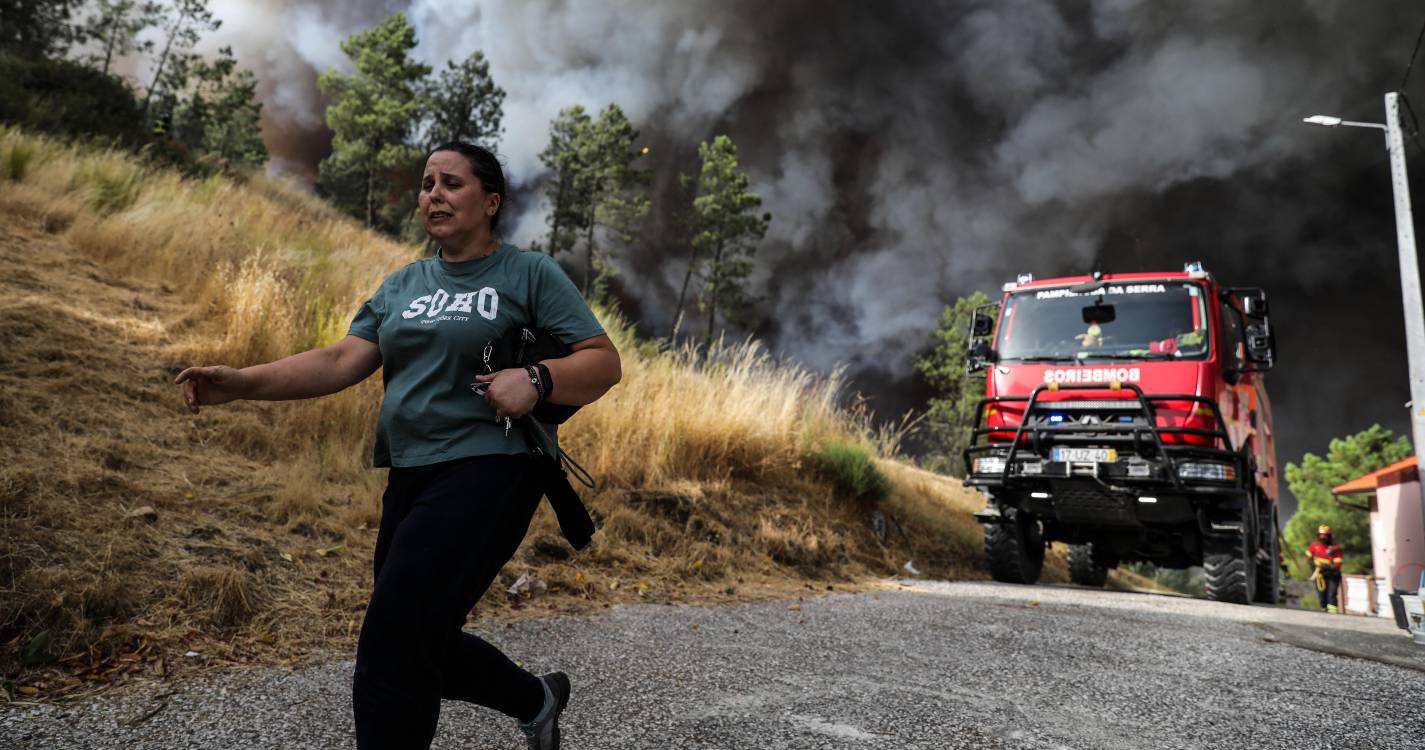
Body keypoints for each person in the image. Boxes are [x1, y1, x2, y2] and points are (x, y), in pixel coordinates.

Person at [174, 142, 621, 750]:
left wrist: (537, 379)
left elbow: (603, 361)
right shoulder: (403, 284)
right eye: (427, 183)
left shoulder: (528, 273)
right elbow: (339, 359)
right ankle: (535, 700)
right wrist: (243, 383)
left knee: (392, 641)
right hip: (411, 475)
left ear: (490, 202)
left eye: (452, 183)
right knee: (421, 638)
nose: (433, 193)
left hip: (493, 470)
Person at [1306, 524, 1344, 613]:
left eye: (1325, 536)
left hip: (1332, 575)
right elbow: (1309, 559)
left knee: (1331, 594)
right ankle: (1324, 611)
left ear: (1330, 536)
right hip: (1320, 575)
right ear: (1318, 536)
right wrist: (1315, 566)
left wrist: (1328, 568)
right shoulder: (1314, 546)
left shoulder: (1335, 548)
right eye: (1321, 535)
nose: (1323, 537)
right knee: (1322, 596)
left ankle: (1333, 613)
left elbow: (1338, 564)